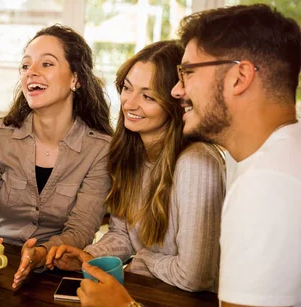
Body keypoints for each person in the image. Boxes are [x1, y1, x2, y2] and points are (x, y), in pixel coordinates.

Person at [76, 4, 301, 307]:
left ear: (239, 77)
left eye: (189, 72)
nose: (178, 90)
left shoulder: (269, 184)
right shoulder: (275, 162)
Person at [46, 40, 225, 292]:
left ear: (174, 102)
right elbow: (122, 234)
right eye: (127, 88)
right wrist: (88, 256)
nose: (129, 104)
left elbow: (193, 276)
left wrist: (142, 261)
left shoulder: (196, 163)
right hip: (151, 293)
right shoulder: (132, 153)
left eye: (148, 96)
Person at [0, 24, 113, 289]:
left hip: (57, 269)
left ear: (77, 79)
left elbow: (81, 231)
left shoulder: (100, 149)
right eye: (25, 66)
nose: (32, 73)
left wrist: (39, 256)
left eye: (47, 64)